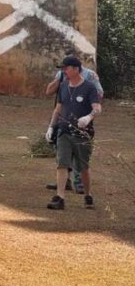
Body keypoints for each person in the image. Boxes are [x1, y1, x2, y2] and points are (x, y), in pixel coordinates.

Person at [45, 56, 102, 210]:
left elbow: (97, 108)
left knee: (83, 166)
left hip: (82, 133)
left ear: (76, 69)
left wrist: (89, 117)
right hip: (64, 130)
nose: (63, 71)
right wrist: (51, 127)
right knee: (62, 163)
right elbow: (58, 108)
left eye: (66, 68)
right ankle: (60, 197)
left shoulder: (89, 87)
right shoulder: (63, 86)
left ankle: (88, 194)